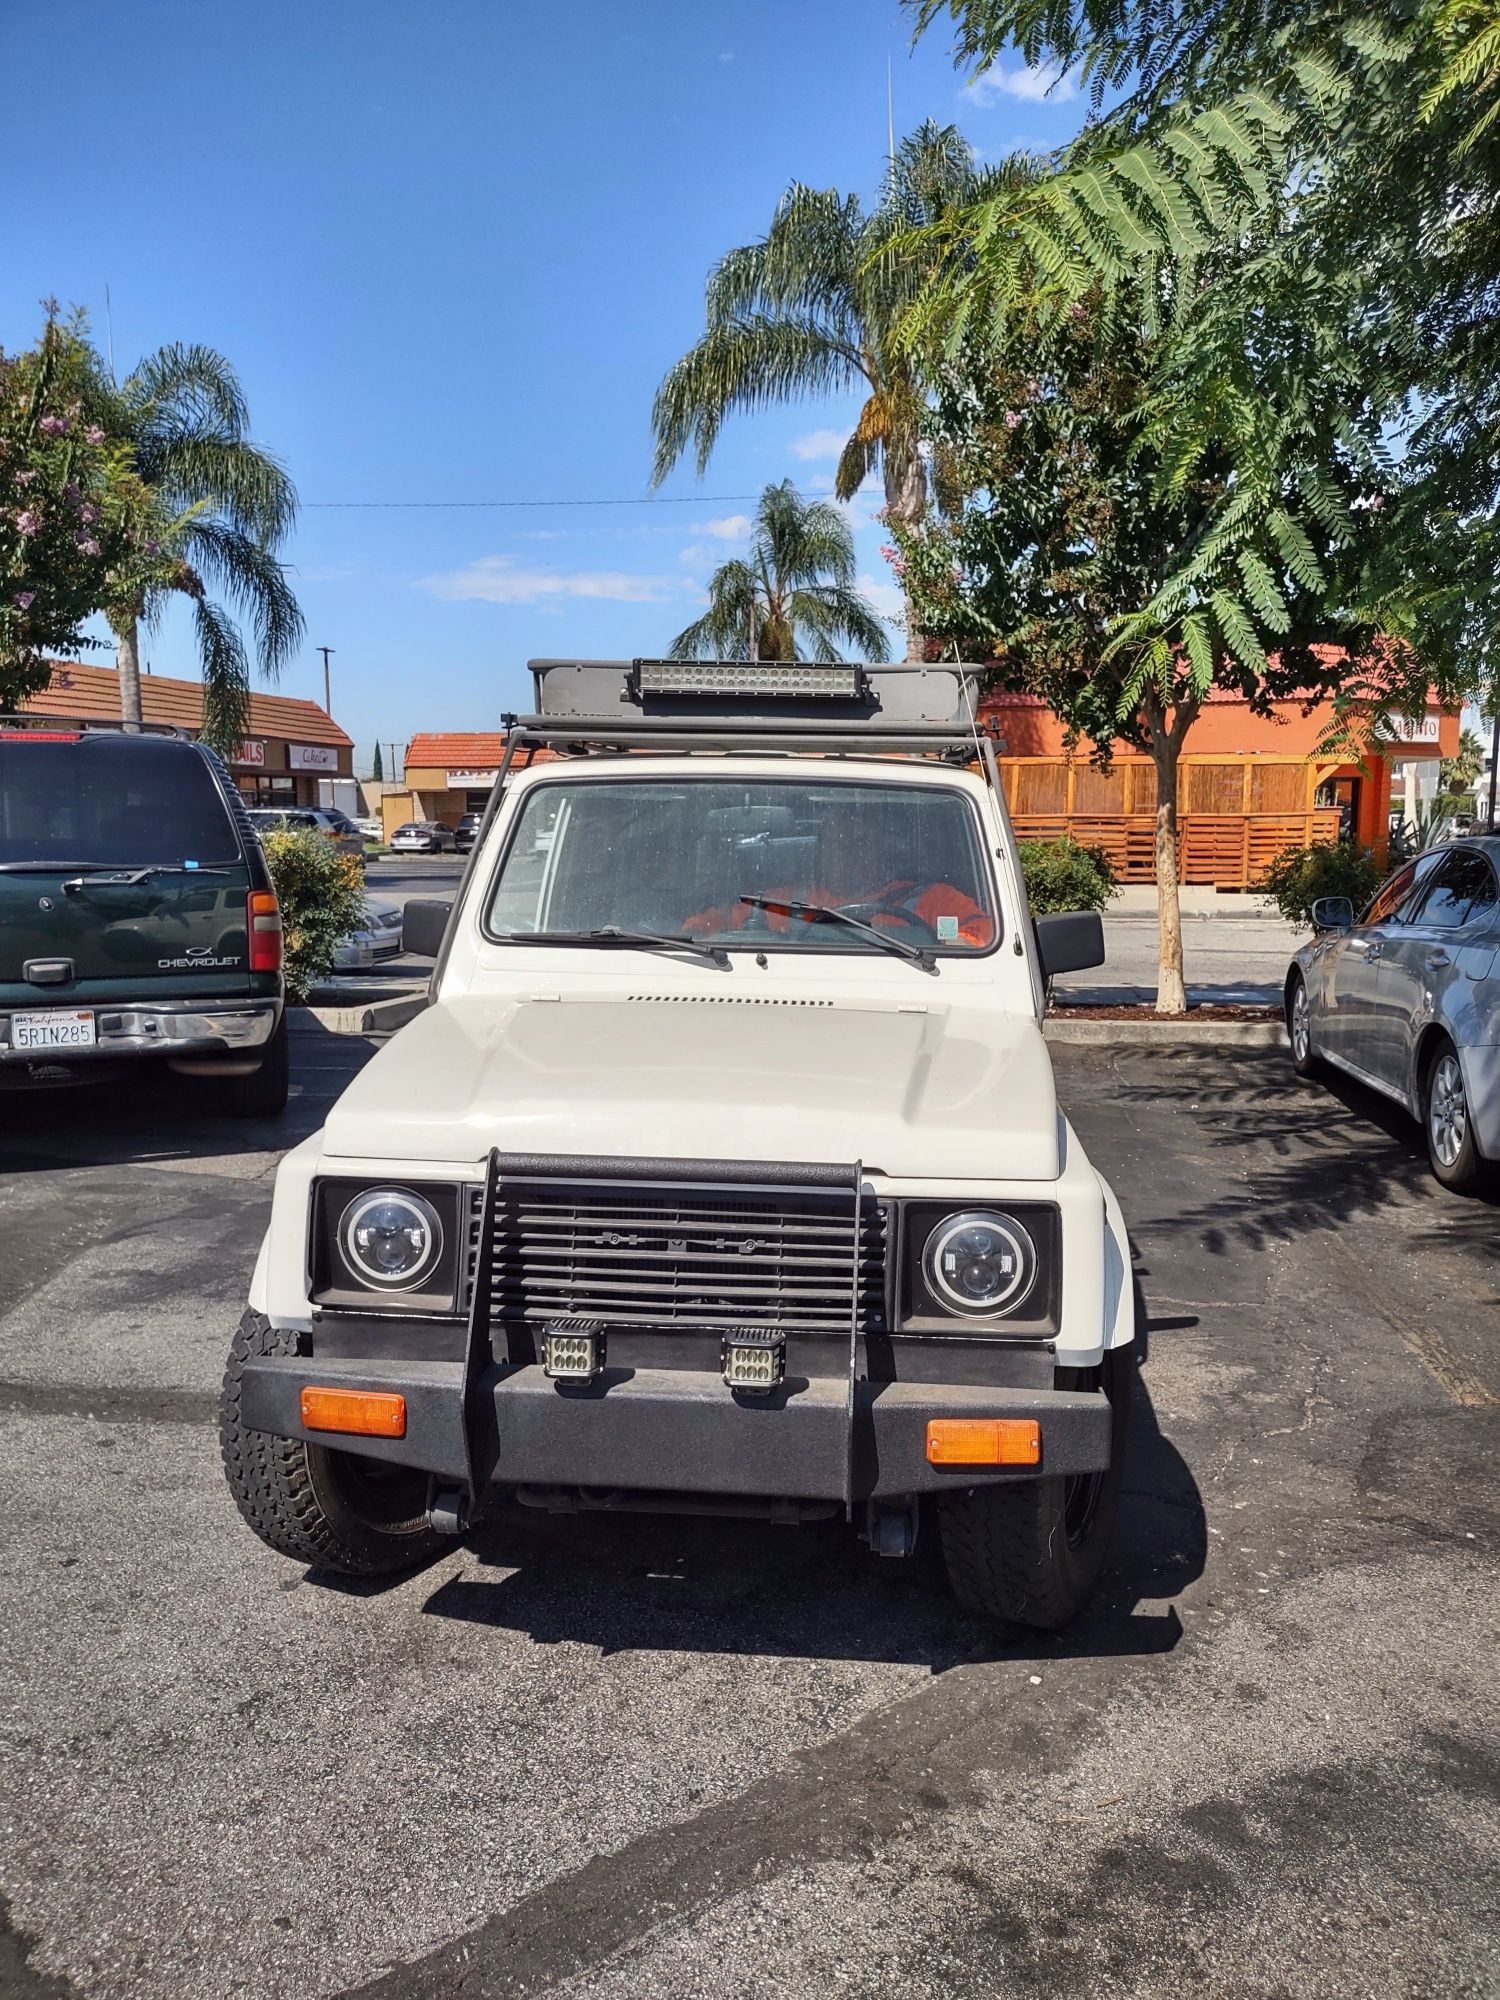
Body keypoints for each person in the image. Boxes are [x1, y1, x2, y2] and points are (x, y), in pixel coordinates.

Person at [682, 803, 993, 949]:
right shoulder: (786, 901)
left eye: (860, 843)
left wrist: (955, 944)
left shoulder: (930, 899)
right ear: (821, 851)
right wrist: (699, 931)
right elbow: (716, 921)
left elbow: (983, 933)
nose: (847, 852)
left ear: (882, 850)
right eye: (836, 843)